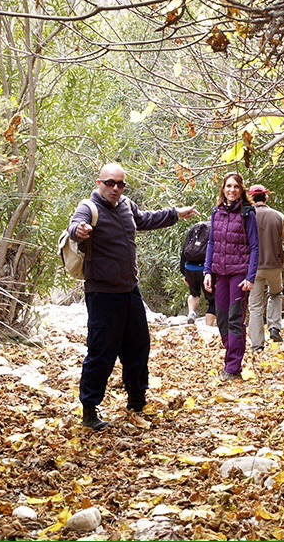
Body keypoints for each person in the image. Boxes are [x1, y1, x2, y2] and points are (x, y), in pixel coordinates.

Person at [67, 162, 197, 430]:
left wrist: (175, 214)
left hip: (130, 291)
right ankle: (90, 410)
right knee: (101, 352)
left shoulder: (126, 205)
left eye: (120, 184)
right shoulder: (89, 208)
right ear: (99, 182)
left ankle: (137, 402)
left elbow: (145, 219)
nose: (115, 188)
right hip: (102, 293)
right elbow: (75, 225)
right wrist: (79, 231)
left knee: (138, 348)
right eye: (110, 183)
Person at [203, 173, 259, 381]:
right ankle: (232, 355)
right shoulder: (216, 212)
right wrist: (207, 271)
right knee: (222, 320)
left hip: (239, 274)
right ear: (223, 189)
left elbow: (255, 246)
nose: (232, 190)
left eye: (236, 186)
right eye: (228, 186)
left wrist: (250, 277)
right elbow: (212, 244)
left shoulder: (248, 214)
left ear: (242, 189)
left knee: (235, 319)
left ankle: (233, 367)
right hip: (220, 273)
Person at [246, 184, 284, 351]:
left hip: (253, 269)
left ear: (250, 198)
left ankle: (257, 345)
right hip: (274, 267)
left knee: (255, 305)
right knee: (276, 294)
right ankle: (274, 327)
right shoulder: (278, 216)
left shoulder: (246, 217)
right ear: (266, 197)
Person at [180, 221, 216, 326]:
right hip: (205, 269)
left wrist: (184, 273)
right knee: (213, 301)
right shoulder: (214, 229)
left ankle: (191, 312)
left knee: (194, 294)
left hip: (189, 267)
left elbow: (184, 251)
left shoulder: (195, 228)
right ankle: (208, 327)